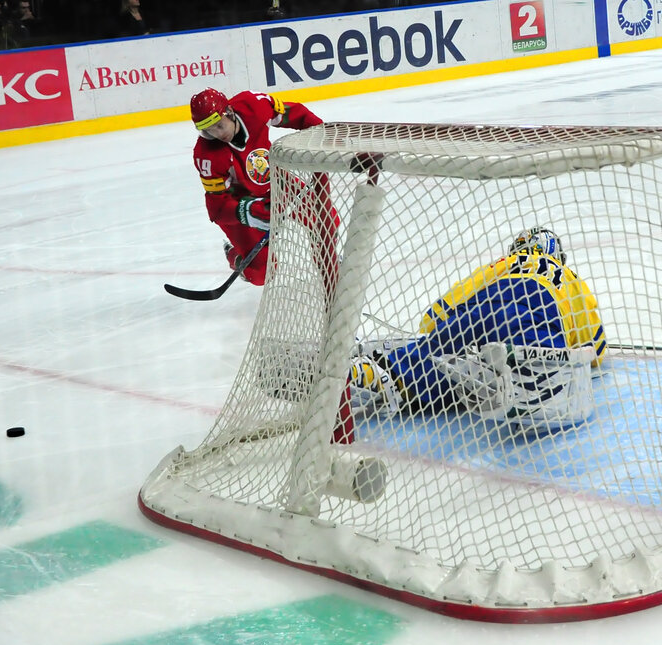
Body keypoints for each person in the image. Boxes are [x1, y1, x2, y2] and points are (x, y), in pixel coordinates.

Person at [350, 227, 606, 428]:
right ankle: (520, 386)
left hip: (485, 304)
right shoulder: (569, 277)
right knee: (536, 375)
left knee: (441, 358)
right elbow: (596, 346)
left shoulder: (507, 263)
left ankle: (381, 372)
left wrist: (436, 331)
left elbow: (455, 298)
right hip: (540, 313)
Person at [189, 88, 324, 286]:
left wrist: (320, 130)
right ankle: (236, 257)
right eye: (209, 131)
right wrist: (251, 212)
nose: (218, 134)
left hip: (274, 182)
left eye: (219, 126)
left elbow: (293, 114)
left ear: (229, 113)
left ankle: (328, 266)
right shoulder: (207, 155)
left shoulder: (254, 105)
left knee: (323, 218)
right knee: (262, 274)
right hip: (238, 201)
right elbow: (217, 208)